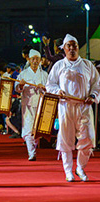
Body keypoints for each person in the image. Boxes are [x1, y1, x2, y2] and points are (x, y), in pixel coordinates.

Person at [46, 34, 100, 182]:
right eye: (68, 46)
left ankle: (80, 167)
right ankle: (68, 170)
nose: (71, 48)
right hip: (66, 107)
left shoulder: (88, 65)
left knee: (88, 139)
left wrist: (93, 95)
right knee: (65, 140)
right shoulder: (59, 65)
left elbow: (97, 84)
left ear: (77, 47)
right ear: (64, 48)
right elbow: (50, 84)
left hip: (84, 107)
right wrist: (58, 91)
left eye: (74, 45)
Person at [15, 49, 48, 161]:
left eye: (37, 59)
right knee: (28, 128)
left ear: (40, 60)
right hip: (28, 105)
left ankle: (33, 148)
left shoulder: (44, 75)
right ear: (29, 59)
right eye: (33, 59)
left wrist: (43, 88)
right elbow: (17, 89)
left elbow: (50, 90)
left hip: (40, 105)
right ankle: (31, 153)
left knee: (37, 130)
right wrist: (20, 85)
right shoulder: (23, 74)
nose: (35, 61)